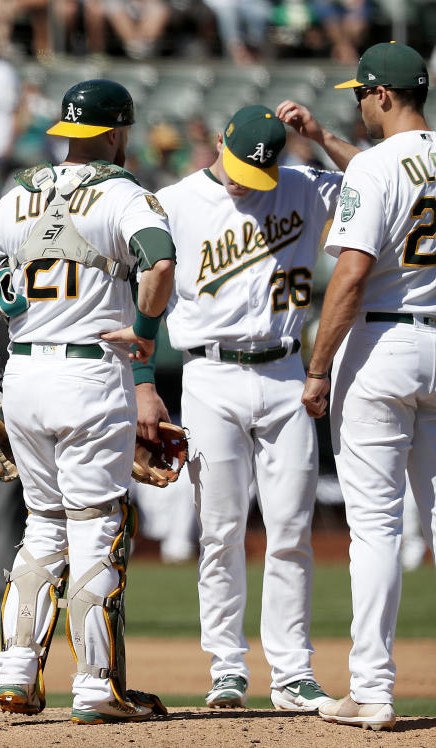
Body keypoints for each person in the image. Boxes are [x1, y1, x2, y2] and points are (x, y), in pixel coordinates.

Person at [0, 78, 177, 723]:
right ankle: (95, 686)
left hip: (24, 375)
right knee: (97, 530)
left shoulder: (17, 195)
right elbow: (160, 261)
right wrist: (143, 336)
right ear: (116, 131)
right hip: (90, 374)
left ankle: (16, 674)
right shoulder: (122, 194)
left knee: (42, 526)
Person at [155, 101, 358, 712]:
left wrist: (320, 136)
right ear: (219, 141)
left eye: (262, 169)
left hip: (287, 372)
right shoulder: (175, 202)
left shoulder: (299, 183)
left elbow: (377, 182)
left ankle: (292, 670)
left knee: (291, 530)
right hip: (209, 374)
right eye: (243, 163)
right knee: (218, 532)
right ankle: (226, 668)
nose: (250, 179)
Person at [301, 41, 436, 732]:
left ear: (382, 95)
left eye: (361, 92)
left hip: (382, 342)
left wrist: (318, 367)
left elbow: (349, 277)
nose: (357, 102)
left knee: (375, 528)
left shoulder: (376, 165)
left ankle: (371, 691)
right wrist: (324, 140)